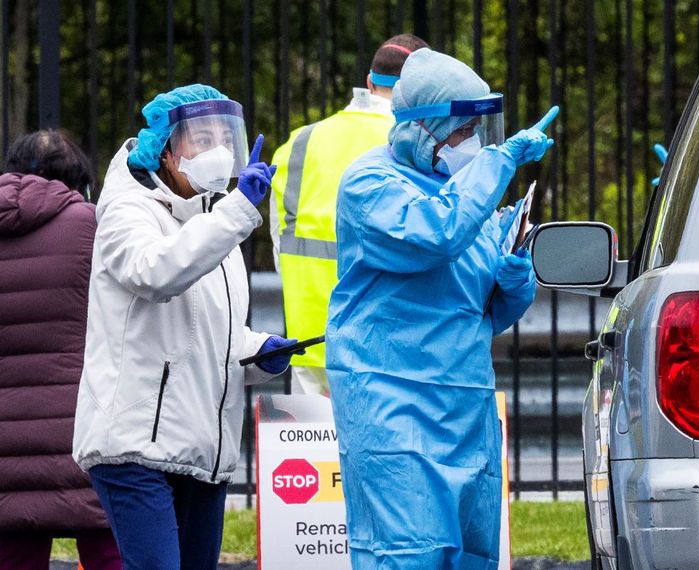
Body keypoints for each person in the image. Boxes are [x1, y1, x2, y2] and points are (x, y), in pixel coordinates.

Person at [326, 48, 558, 569]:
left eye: (478, 130)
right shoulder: (370, 184)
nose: (473, 144)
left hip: (465, 402)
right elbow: (436, 235)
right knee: (408, 554)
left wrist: (514, 273)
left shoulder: (464, 195)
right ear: (420, 130)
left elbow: (485, 312)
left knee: (470, 555)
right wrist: (501, 161)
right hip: (392, 398)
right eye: (460, 133)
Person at [72, 84, 297, 570]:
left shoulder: (217, 219)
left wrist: (259, 351)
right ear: (167, 150)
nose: (217, 149)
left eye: (224, 136)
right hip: (134, 446)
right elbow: (156, 273)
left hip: (199, 450)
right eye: (201, 138)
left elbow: (212, 334)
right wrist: (239, 211)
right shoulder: (129, 209)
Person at [270, 33, 428, 396]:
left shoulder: (299, 143)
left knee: (318, 452)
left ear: (369, 82)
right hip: (392, 343)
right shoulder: (415, 145)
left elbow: (282, 249)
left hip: (312, 342)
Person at [0, 131, 122, 570]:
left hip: (7, 440)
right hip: (83, 428)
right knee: (109, 547)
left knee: (14, 551)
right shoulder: (92, 225)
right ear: (79, 180)